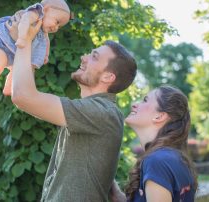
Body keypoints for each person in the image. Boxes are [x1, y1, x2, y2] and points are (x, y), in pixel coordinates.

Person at [8, 12, 137, 201]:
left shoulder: (101, 112)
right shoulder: (95, 111)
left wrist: (24, 39)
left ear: (108, 77)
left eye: (94, 57)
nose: (84, 57)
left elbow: (22, 96)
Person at [110, 85, 198, 202]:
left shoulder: (157, 161)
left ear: (159, 116)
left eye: (145, 100)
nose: (134, 105)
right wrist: (115, 193)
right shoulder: (170, 157)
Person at [0, 0, 70, 102]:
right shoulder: (36, 13)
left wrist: (46, 54)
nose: (56, 27)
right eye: (57, 21)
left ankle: (9, 88)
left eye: (59, 26)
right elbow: (24, 21)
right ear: (46, 9)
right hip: (1, 44)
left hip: (14, 53)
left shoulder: (43, 30)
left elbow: (46, 41)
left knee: (17, 70)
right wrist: (22, 38)